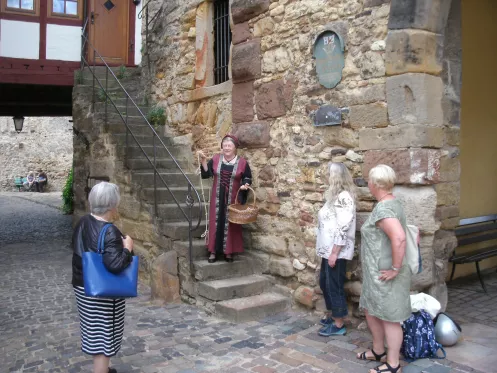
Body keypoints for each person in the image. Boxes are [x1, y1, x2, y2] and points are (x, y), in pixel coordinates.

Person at [72, 182, 134, 373]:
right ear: (112, 206)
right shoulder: (110, 231)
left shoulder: (83, 221)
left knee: (94, 332)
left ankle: (103, 369)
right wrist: (127, 248)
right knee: (104, 335)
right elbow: (115, 264)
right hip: (103, 292)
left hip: (82, 285)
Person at [357, 165, 411, 373]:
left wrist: (395, 269)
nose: (368, 184)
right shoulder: (391, 202)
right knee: (372, 311)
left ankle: (393, 364)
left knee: (389, 318)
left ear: (373, 184)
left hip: (385, 275)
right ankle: (378, 351)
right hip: (376, 275)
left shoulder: (384, 208)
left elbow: (398, 238)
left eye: (368, 181)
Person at [197, 134, 252, 263]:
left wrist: (245, 185)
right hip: (217, 197)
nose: (226, 148)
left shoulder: (242, 162)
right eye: (225, 145)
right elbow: (207, 174)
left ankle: (229, 252)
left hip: (233, 198)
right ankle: (213, 251)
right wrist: (204, 161)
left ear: (235, 147)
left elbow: (247, 177)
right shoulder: (216, 159)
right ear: (222, 147)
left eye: (229, 145)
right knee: (215, 222)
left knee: (231, 224)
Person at [316, 163, 356, 337]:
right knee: (325, 282)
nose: (326, 176)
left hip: (336, 252)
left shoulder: (344, 197)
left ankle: (339, 323)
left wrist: (334, 252)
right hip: (328, 250)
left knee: (334, 285)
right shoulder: (334, 197)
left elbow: (343, 227)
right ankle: (334, 315)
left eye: (329, 173)